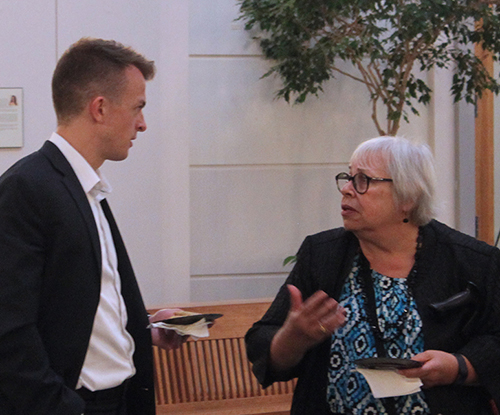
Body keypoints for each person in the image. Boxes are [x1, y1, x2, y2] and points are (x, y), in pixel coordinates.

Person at [245, 136, 500, 415]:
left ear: (408, 196)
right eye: (348, 178)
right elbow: (263, 342)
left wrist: (460, 367)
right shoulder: (321, 255)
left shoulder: (474, 261)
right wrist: (291, 339)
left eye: (363, 180)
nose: (346, 190)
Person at [0, 38, 186, 415]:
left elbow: (73, 303)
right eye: (138, 108)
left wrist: (141, 326)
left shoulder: (85, 187)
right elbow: (10, 330)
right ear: (100, 108)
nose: (143, 124)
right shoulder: (27, 187)